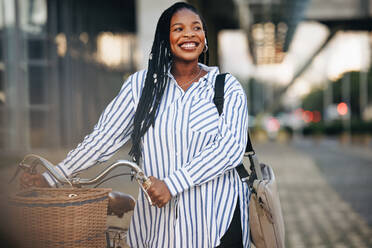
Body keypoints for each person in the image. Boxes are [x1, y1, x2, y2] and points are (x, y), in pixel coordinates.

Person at [20, 2, 250, 247]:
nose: (189, 34)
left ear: (204, 38)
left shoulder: (227, 88)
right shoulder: (140, 87)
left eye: (197, 28)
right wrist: (53, 176)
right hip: (158, 227)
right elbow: (102, 139)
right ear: (165, 38)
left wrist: (172, 185)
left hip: (216, 223)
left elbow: (229, 149)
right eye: (178, 29)